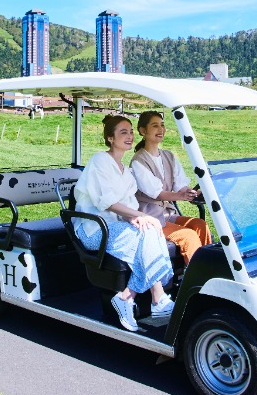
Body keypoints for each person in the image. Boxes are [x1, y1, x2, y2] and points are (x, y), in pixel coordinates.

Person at [73, 114, 175, 332]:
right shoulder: (100, 161)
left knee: (150, 232)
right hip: (94, 228)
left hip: (117, 227)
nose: (129, 136)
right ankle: (156, 297)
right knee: (147, 232)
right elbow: (108, 202)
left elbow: (130, 207)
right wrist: (139, 216)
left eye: (130, 131)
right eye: (122, 132)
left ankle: (129, 297)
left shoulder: (126, 171)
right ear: (110, 138)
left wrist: (138, 218)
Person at [131, 110, 212, 263]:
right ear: (143, 131)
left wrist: (192, 193)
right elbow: (158, 194)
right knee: (188, 235)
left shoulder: (169, 156)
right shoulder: (138, 161)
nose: (161, 129)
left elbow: (181, 186)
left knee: (200, 225)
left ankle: (209, 267)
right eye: (155, 126)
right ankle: (195, 278)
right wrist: (182, 196)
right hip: (149, 217)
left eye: (162, 125)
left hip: (167, 214)